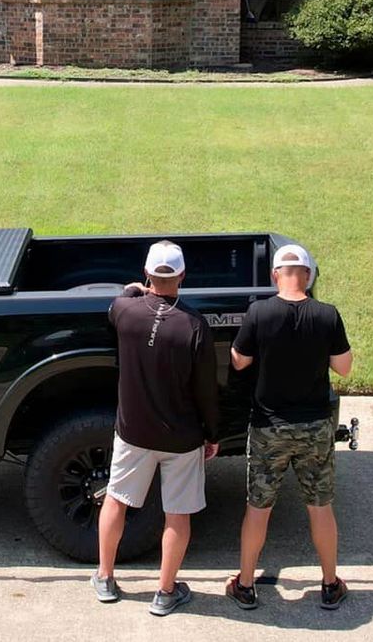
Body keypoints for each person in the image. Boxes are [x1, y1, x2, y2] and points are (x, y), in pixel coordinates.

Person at [92, 240, 220, 617]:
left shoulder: (126, 312)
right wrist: (212, 433)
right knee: (177, 515)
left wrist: (136, 289)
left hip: (133, 433)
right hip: (181, 439)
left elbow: (120, 300)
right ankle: (165, 592)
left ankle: (105, 578)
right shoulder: (194, 325)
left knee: (115, 499)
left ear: (148, 273)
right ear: (182, 275)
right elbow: (206, 391)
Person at [225, 243, 353, 611]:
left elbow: (239, 361)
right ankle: (330, 583)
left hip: (269, 428)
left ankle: (246, 584)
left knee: (257, 509)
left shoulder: (259, 312)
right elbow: (343, 367)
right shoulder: (327, 315)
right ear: (309, 276)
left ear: (275, 275)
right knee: (320, 507)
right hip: (315, 428)